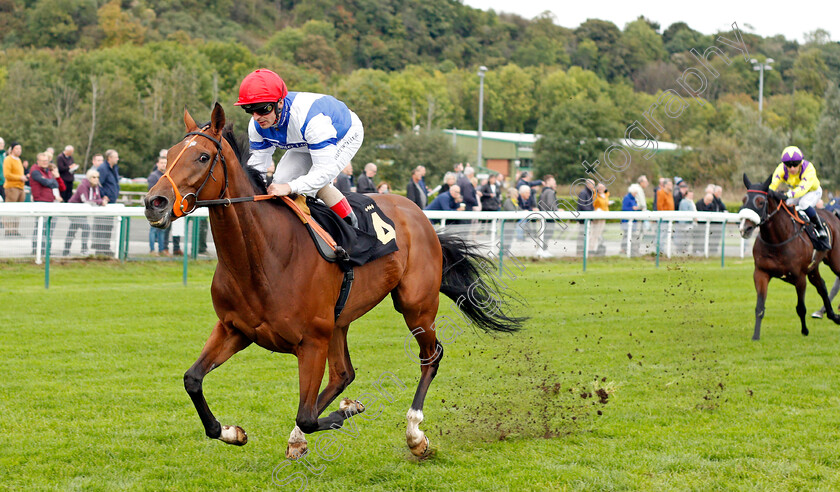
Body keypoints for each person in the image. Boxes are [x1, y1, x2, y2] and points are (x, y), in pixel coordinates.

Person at [236, 68, 363, 227]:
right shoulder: (256, 126)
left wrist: (290, 187)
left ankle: (352, 228)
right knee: (280, 181)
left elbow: (324, 171)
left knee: (311, 185)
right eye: (249, 110)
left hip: (343, 134)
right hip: (305, 142)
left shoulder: (312, 121)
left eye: (263, 109)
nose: (257, 117)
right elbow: (257, 168)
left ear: (280, 103)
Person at [770, 146, 826, 238]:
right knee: (786, 204)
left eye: (795, 164)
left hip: (812, 191)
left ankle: (820, 228)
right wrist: (769, 192)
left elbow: (802, 189)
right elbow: (773, 184)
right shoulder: (781, 169)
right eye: (788, 164)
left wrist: (786, 194)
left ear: (801, 163)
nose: (792, 168)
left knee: (803, 204)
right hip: (795, 192)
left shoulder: (809, 168)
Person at [64, 168, 105, 256]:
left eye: (97, 177)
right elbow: (86, 200)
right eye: (94, 177)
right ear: (89, 178)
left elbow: (97, 198)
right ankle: (84, 249)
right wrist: (100, 202)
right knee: (86, 227)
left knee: (72, 229)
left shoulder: (96, 187)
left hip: (82, 212)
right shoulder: (82, 186)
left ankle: (66, 250)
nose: (96, 179)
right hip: (74, 210)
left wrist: (102, 201)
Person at [29, 153, 62, 255]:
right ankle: (36, 249)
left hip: (49, 201)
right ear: (38, 161)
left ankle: (46, 249)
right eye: (43, 161)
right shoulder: (35, 171)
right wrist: (50, 181)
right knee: (40, 226)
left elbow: (55, 184)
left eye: (46, 161)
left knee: (48, 226)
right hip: (40, 201)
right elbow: (47, 183)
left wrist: (50, 181)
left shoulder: (47, 171)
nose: (45, 163)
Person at [93, 151, 119, 256]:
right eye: (116, 157)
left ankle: (106, 247)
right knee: (102, 225)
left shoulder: (114, 168)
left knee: (109, 226)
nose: (118, 159)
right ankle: (100, 248)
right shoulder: (103, 169)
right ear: (109, 158)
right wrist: (103, 195)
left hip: (112, 201)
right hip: (105, 202)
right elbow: (98, 184)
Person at [148, 155, 171, 256]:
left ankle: (161, 250)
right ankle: (152, 250)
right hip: (154, 206)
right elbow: (152, 192)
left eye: (165, 163)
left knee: (162, 229)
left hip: (164, 206)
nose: (163, 165)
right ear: (157, 164)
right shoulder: (153, 176)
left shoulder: (167, 175)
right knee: (153, 229)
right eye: (161, 163)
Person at [3, 142, 25, 236]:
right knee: (11, 209)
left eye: (20, 148)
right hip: (12, 187)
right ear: (12, 149)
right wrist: (19, 178)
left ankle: (15, 230)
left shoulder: (19, 160)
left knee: (18, 210)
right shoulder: (8, 159)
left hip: (20, 187)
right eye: (17, 148)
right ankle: (9, 230)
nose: (19, 150)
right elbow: (7, 174)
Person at [621, 184, 641, 255]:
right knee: (626, 235)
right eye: (635, 193)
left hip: (633, 221)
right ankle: (623, 249)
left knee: (631, 236)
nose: (636, 194)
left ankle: (630, 250)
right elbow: (624, 209)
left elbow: (636, 208)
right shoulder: (626, 198)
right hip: (626, 221)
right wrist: (632, 209)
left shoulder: (634, 198)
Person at [592, 183, 610, 255]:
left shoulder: (606, 195)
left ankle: (597, 247)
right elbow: (593, 204)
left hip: (604, 215)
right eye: (600, 187)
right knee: (595, 233)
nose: (601, 189)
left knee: (600, 233)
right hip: (598, 215)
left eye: (602, 187)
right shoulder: (595, 195)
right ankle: (592, 248)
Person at [0, 137, 5, 201]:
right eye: (0, 143)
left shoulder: (3, 156)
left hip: (3, 183)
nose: (2, 145)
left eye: (3, 143)